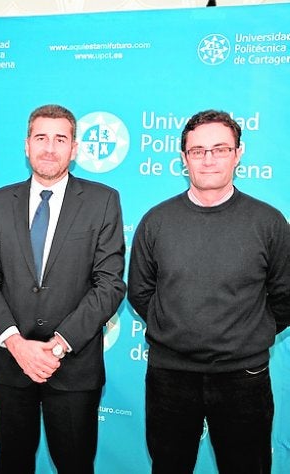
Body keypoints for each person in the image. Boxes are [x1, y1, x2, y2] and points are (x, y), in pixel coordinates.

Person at [128, 109, 290, 474]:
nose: (208, 159)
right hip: (170, 376)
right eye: (198, 150)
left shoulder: (269, 223)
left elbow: (285, 297)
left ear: (238, 153)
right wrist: (176, 330)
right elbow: (140, 292)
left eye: (220, 149)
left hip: (243, 378)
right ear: (183, 158)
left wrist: (245, 335)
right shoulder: (156, 221)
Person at [0, 104, 126, 473]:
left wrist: (57, 346)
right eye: (41, 138)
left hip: (73, 365)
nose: (49, 148)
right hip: (11, 363)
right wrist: (16, 344)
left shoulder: (103, 201)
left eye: (60, 139)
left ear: (74, 149)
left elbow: (109, 283)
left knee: (75, 464)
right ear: (27, 145)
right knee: (13, 462)